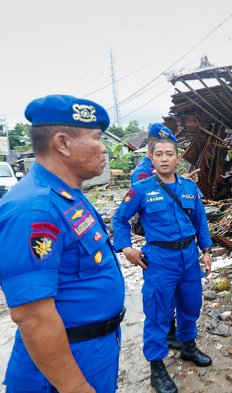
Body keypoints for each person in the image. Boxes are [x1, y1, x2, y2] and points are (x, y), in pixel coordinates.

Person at [0, 94, 125, 392]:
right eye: (97, 138)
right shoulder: (34, 207)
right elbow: (32, 317)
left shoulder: (67, 194)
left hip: (92, 349)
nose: (105, 147)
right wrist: (76, 387)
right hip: (62, 368)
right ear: (63, 143)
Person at [112, 137, 212, 393]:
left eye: (170, 154)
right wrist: (126, 248)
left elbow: (200, 221)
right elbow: (120, 219)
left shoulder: (189, 188)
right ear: (152, 158)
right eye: (160, 154)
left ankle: (188, 347)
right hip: (159, 261)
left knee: (191, 305)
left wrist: (207, 250)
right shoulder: (141, 189)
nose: (165, 158)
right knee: (157, 314)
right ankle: (157, 366)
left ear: (177, 159)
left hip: (189, 258)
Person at [130, 123, 184, 350]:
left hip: (172, 238)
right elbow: (146, 195)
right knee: (159, 291)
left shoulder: (163, 170)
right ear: (151, 146)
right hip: (155, 238)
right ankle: (164, 335)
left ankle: (171, 330)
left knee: (174, 288)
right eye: (158, 148)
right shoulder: (142, 172)